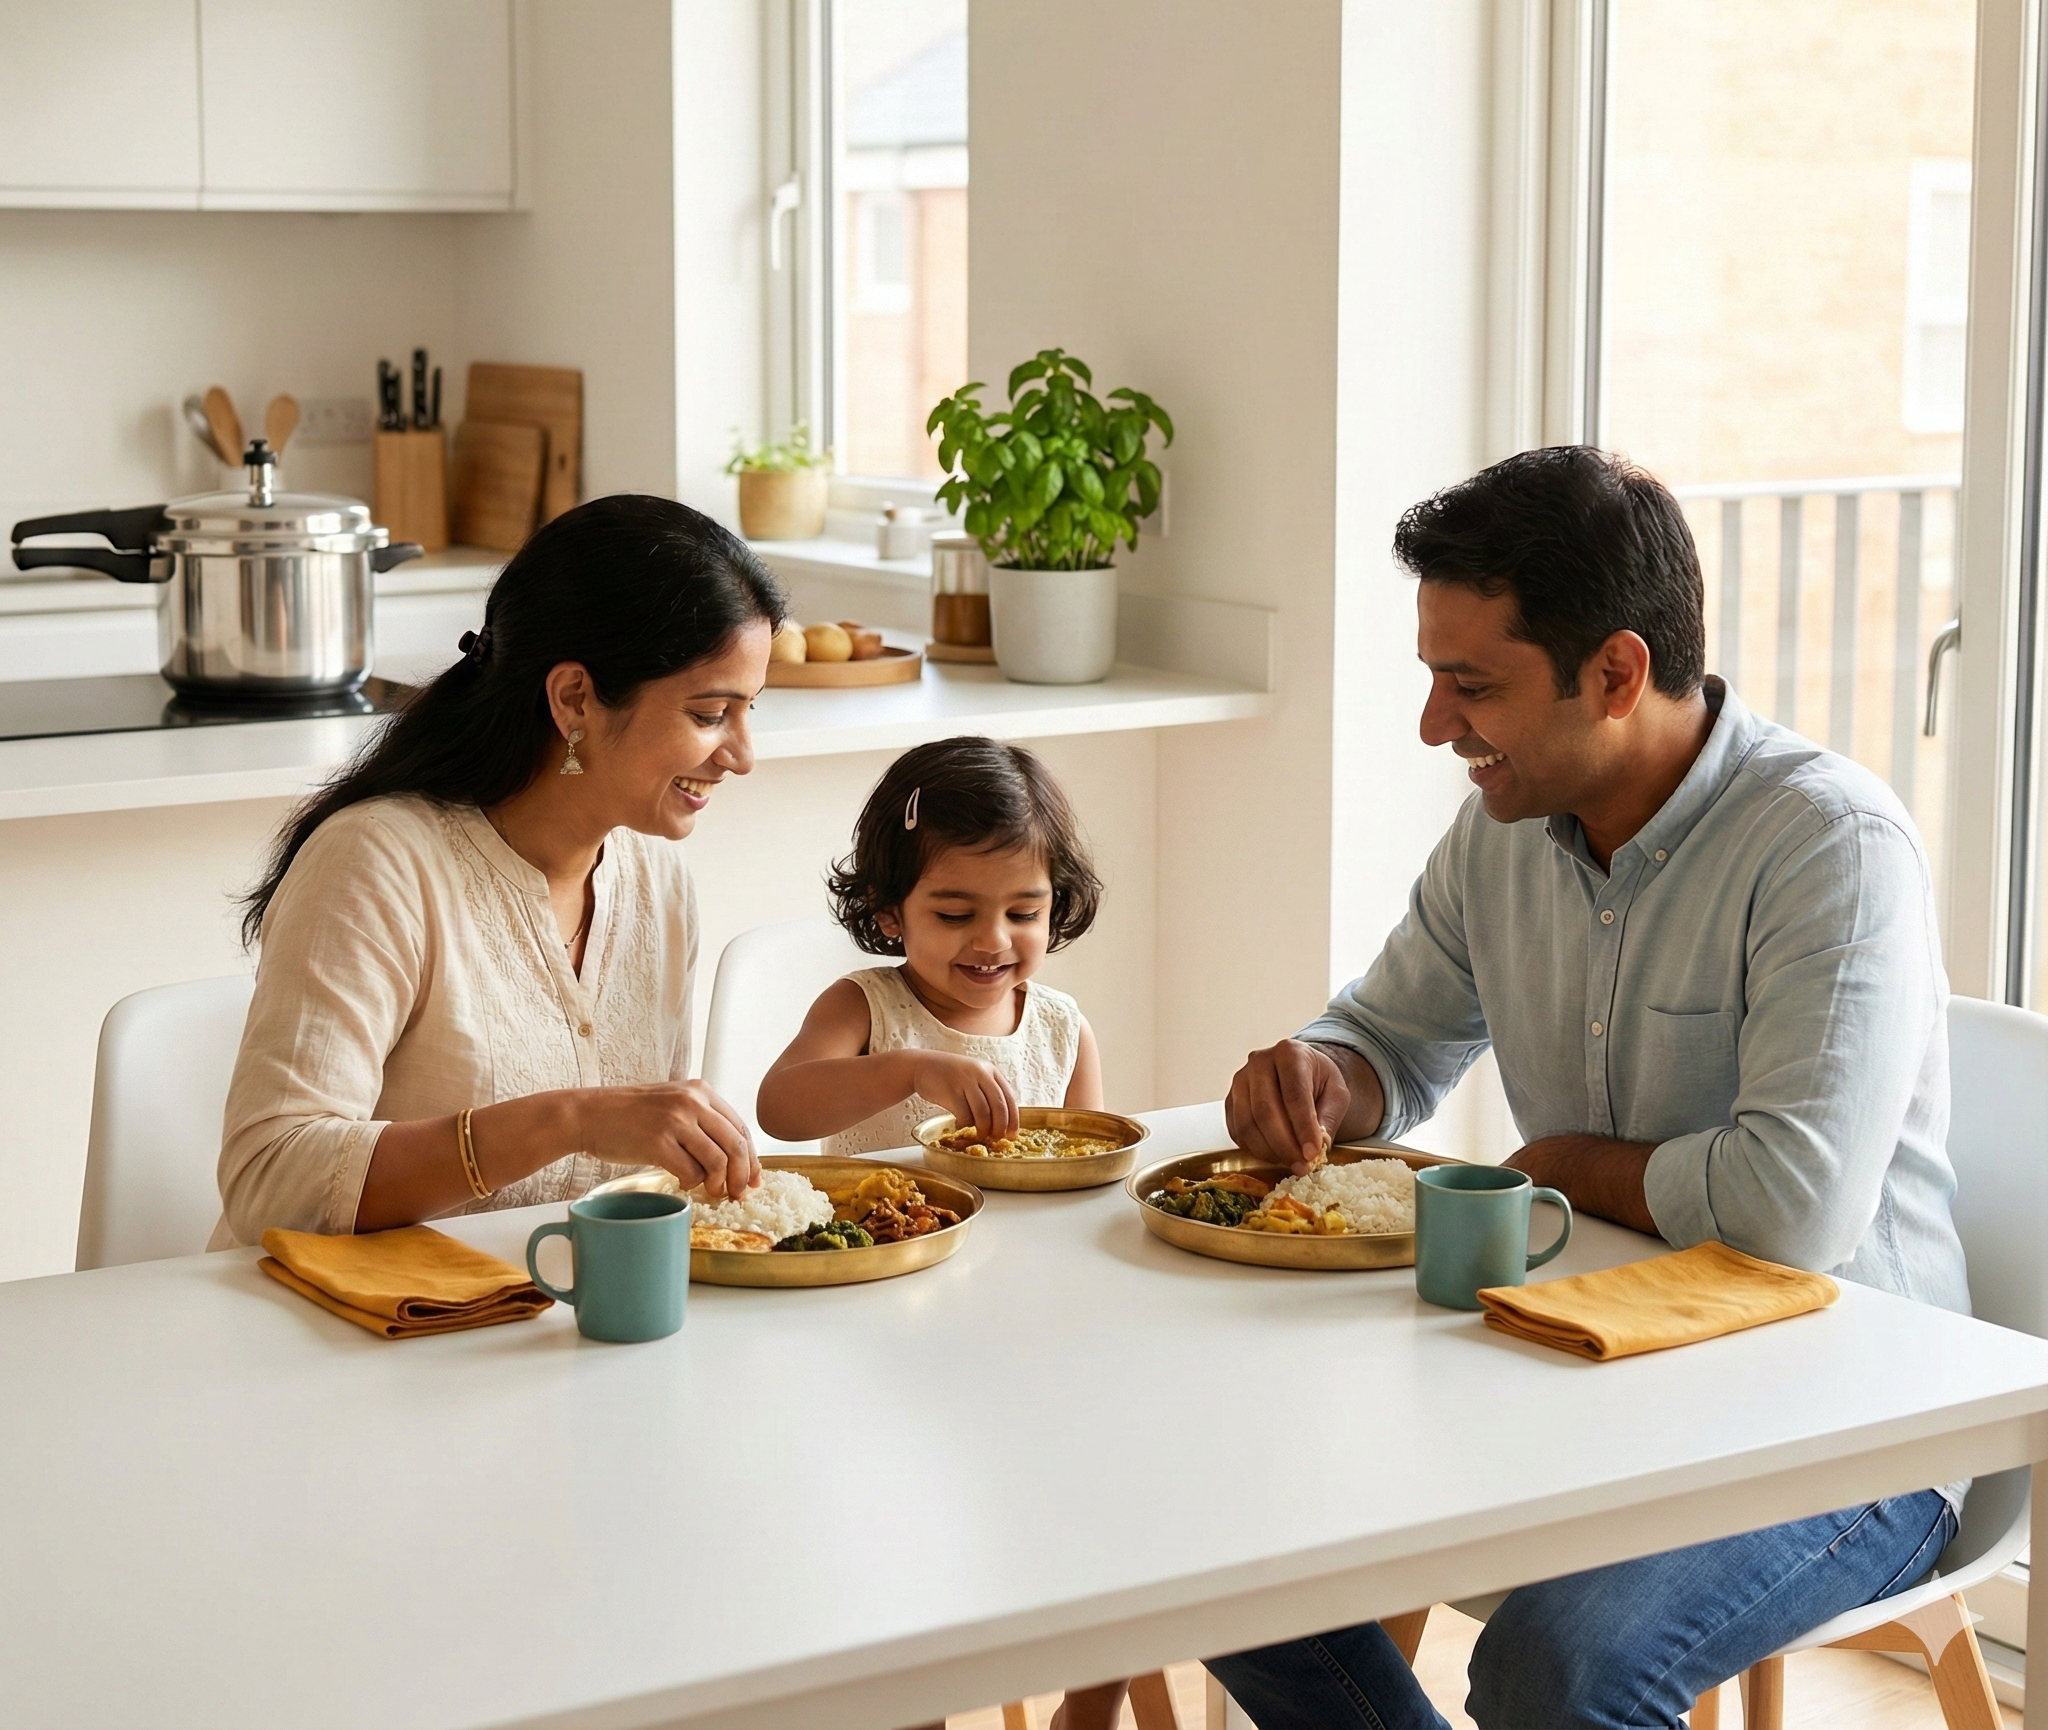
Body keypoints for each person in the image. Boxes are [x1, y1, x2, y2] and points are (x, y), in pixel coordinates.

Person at [1210, 446, 1969, 1730]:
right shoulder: (1500, 830)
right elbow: (1386, 1037)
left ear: (1614, 672)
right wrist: (1319, 1079)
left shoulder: (1826, 846)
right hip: (1582, 1365)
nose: (1433, 726)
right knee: (1210, 1524)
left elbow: (1786, 1209)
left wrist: (1560, 1162)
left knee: (1560, 1664)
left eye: (1470, 684)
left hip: (1847, 1424)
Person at [214, 494, 776, 1245]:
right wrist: (570, 1118)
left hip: (543, 1330)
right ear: (574, 698)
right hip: (342, 1339)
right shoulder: (378, 863)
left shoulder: (656, 882)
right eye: (710, 715)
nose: (742, 755)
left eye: (750, 711)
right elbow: (270, 1181)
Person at [757, 735, 1127, 1730]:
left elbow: (1089, 1175)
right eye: (952, 912)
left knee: (1125, 1499)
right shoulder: (865, 1006)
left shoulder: (1058, 1024)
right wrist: (909, 1067)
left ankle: (1086, 1703)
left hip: (1022, 1333)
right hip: (878, 1338)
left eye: (1023, 910)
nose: (992, 938)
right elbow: (782, 1104)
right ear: (889, 913)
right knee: (897, 1541)